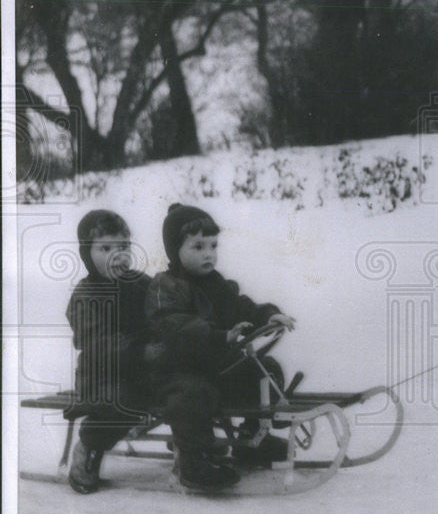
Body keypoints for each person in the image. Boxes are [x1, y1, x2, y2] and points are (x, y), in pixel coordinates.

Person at [145, 203, 295, 491]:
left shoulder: (216, 283)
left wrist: (266, 315)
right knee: (192, 395)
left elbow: (241, 306)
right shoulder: (167, 287)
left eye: (213, 246)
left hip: (217, 367)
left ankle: (252, 438)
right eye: (198, 247)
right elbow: (172, 326)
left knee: (265, 372)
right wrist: (217, 336)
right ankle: (193, 462)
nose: (208, 254)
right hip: (177, 370)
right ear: (175, 249)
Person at [66, 210, 154, 494]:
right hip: (101, 376)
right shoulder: (86, 295)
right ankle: (90, 445)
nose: (117, 255)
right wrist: (141, 348)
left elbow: (166, 310)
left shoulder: (141, 284)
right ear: (86, 253)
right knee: (124, 399)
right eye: (105, 248)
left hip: (143, 369)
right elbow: (97, 344)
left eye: (124, 247)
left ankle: (198, 449)